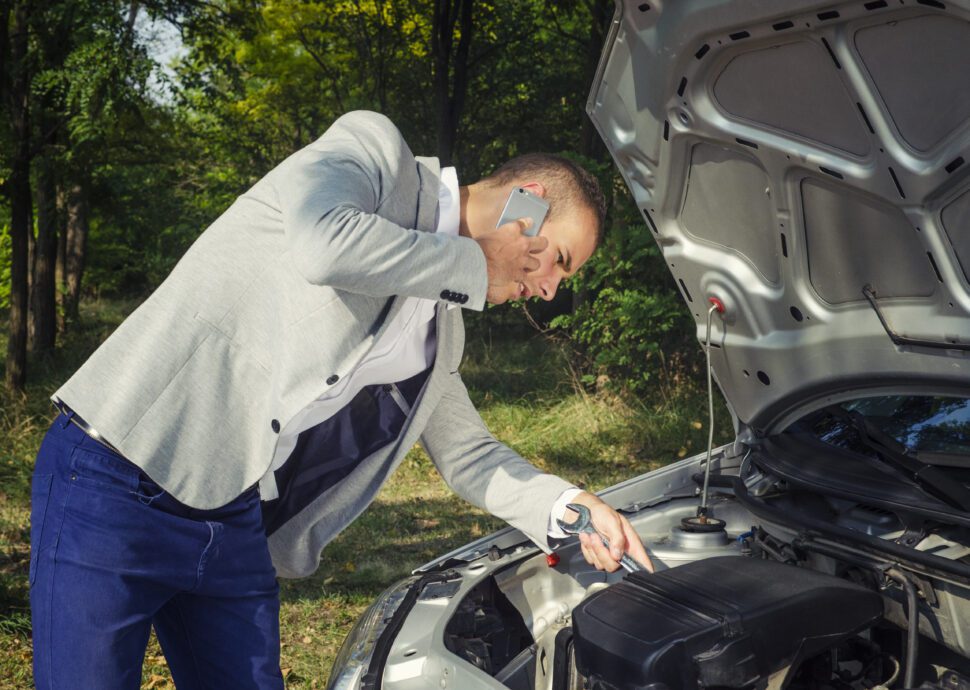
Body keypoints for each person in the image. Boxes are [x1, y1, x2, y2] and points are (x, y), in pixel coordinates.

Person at [29, 110, 651, 688]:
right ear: (528, 205)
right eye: (558, 262)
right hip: (114, 479)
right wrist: (471, 262)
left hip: (233, 514)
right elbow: (322, 243)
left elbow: (470, 455)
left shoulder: (444, 328)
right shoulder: (375, 151)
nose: (547, 290)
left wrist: (570, 506)